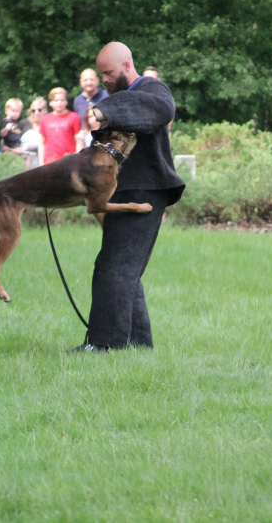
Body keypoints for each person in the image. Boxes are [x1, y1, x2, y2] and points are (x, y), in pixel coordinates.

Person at [72, 42, 185, 353]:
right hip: (127, 191)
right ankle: (138, 345)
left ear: (125, 66)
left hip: (144, 190)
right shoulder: (120, 100)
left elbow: (163, 111)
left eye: (108, 73)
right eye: (100, 74)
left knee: (115, 267)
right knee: (126, 269)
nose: (104, 79)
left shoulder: (151, 89)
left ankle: (103, 345)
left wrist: (104, 110)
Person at [38, 87, 81, 166]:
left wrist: (78, 159)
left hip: (69, 159)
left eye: (62, 100)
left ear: (66, 102)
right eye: (56, 100)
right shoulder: (45, 119)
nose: (59, 103)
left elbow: (78, 140)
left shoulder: (73, 116)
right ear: (51, 103)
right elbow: (42, 143)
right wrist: (41, 162)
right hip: (50, 161)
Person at [18, 96, 47, 169]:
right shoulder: (23, 123)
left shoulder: (48, 125)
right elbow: (14, 140)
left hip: (40, 164)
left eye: (39, 110)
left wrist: (27, 148)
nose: (36, 113)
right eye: (33, 110)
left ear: (45, 110)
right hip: (22, 164)